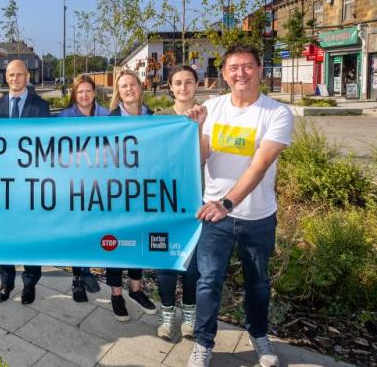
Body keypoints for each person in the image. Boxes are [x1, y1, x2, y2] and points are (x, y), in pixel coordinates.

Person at [185, 44, 293, 367]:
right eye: (233, 67)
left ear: (260, 70)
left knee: (258, 282)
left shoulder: (276, 113)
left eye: (247, 66)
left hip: (256, 217)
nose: (240, 73)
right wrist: (198, 128)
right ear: (224, 74)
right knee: (208, 281)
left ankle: (259, 335)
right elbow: (200, 158)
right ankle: (203, 343)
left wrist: (227, 202)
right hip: (214, 216)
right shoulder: (213, 108)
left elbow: (259, 166)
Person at [0, 59, 50, 305]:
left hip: (30, 183)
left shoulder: (41, 107)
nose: (15, 79)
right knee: (5, 234)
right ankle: (7, 280)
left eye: (19, 74)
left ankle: (30, 282)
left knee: (31, 234)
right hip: (3, 184)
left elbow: (46, 146)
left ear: (27, 76)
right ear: (6, 77)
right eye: (11, 75)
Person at [105, 70, 157, 321]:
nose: (128, 89)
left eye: (132, 84)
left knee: (139, 238)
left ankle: (136, 289)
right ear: (118, 91)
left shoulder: (154, 119)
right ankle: (116, 294)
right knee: (114, 240)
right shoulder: (108, 121)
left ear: (140, 87)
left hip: (142, 191)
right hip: (116, 192)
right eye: (123, 86)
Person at [154, 66, 201, 341]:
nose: (183, 87)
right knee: (165, 263)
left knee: (193, 267)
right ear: (170, 87)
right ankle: (167, 313)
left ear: (196, 85)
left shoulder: (208, 115)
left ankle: (190, 314)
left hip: (197, 203)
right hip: (164, 202)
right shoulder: (159, 119)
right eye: (178, 83)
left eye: (188, 82)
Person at [57, 75, 109, 302]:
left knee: (92, 229)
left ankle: (88, 270)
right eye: (80, 92)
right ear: (74, 94)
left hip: (100, 182)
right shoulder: (64, 117)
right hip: (74, 182)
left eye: (88, 91)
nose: (84, 96)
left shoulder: (108, 116)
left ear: (95, 92)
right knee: (77, 230)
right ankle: (78, 278)